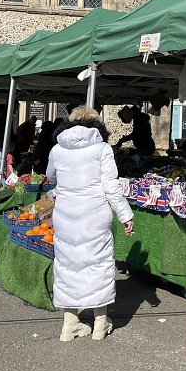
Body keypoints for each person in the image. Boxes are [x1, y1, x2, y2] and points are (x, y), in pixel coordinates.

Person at [47, 107, 134, 342]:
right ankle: (100, 323)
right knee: (98, 265)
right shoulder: (102, 149)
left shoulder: (57, 149)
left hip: (65, 215)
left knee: (67, 267)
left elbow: (51, 177)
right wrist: (126, 215)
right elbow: (111, 187)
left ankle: (69, 325)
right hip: (95, 215)